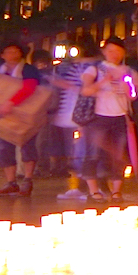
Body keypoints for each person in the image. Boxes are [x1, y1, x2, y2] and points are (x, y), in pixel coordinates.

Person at [80, 37, 138, 202]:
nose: (114, 54)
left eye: (118, 51)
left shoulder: (129, 71)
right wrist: (104, 82)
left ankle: (116, 191)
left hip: (120, 117)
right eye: (111, 50)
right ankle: (93, 191)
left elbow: (133, 96)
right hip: (98, 117)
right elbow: (85, 91)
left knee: (118, 155)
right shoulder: (95, 69)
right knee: (92, 154)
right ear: (104, 52)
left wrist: (127, 88)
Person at [0, 40, 42, 197]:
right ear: (2, 55)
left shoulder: (29, 70)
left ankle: (27, 180)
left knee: (27, 146)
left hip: (27, 114)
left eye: (16, 51)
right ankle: (10, 182)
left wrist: (11, 103)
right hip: (4, 115)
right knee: (3, 148)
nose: (13, 54)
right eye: (9, 51)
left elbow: (30, 88)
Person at [49, 40, 95, 200]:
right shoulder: (76, 66)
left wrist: (65, 85)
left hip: (78, 114)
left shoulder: (89, 67)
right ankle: (84, 185)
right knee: (75, 151)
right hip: (70, 113)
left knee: (80, 151)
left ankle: (86, 186)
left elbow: (85, 89)